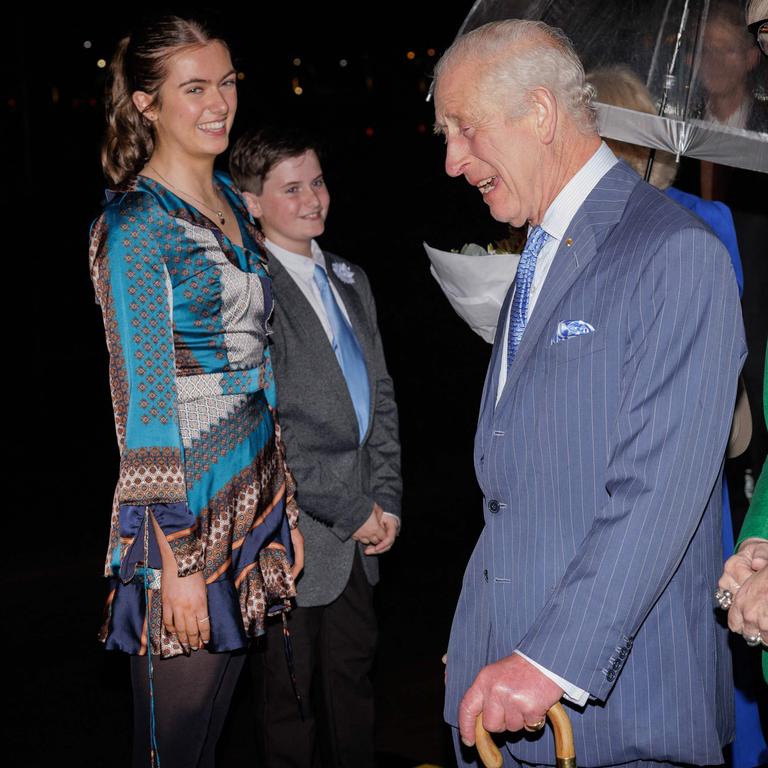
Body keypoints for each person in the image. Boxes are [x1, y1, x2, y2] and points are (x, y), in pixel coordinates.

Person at [433, 19, 745, 768]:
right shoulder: (542, 253)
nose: (451, 161)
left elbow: (656, 493)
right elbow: (521, 487)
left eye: (465, 130)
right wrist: (483, 630)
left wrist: (547, 662)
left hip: (617, 713)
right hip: (512, 698)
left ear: (540, 114)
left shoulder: (673, 254)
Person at [90, 17, 302, 767]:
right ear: (146, 104)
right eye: (195, 88)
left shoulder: (235, 209)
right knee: (172, 750)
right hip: (182, 513)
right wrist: (176, 556)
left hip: (251, 494)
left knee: (212, 738)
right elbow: (140, 402)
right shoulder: (136, 227)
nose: (220, 103)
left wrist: (283, 505)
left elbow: (262, 369)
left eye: (229, 82)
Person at [229, 127, 402, 768]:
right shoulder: (251, 289)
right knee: (288, 706)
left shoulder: (350, 277)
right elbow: (268, 425)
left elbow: (380, 394)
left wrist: (386, 497)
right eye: (292, 188)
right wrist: (349, 507)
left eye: (318, 182)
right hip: (292, 533)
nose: (313, 200)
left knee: (354, 690)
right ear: (251, 202)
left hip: (362, 534)